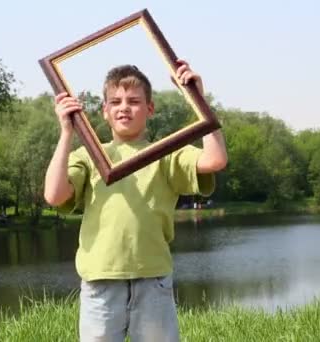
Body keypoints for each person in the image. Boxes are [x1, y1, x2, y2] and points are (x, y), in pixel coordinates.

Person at [43, 59, 227, 341]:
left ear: (150, 108)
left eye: (134, 101)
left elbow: (215, 160)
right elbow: (54, 195)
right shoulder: (89, 155)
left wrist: (198, 100)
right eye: (115, 102)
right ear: (104, 111)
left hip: (153, 280)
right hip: (100, 281)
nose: (124, 107)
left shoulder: (166, 152)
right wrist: (67, 131)